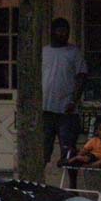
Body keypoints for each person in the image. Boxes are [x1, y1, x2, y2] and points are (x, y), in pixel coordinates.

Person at [42, 17, 87, 164]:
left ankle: (71, 184)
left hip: (66, 111)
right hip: (45, 110)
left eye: (66, 31)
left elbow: (81, 76)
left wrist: (74, 100)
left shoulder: (74, 52)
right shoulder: (44, 51)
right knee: (42, 151)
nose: (63, 34)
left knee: (69, 153)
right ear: (52, 31)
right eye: (60, 30)